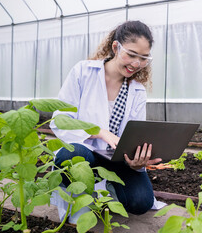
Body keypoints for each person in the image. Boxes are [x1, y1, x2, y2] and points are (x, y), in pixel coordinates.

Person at [49, 21, 162, 222]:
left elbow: (135, 134)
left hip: (117, 157)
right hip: (85, 151)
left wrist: (137, 162)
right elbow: (61, 119)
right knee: (72, 156)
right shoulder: (83, 72)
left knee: (141, 202)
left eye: (143, 58)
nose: (136, 63)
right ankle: (83, 196)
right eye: (132, 54)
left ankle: (108, 187)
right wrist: (100, 132)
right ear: (116, 47)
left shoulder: (137, 90)